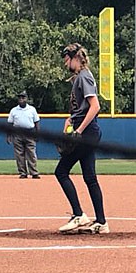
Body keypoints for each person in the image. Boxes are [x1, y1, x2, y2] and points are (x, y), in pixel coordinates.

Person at [55, 43, 109, 234]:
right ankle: (101, 222)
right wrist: (70, 120)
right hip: (89, 132)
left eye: (66, 59)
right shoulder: (81, 77)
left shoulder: (84, 76)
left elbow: (95, 107)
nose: (65, 64)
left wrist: (78, 131)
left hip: (86, 133)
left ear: (74, 57)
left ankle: (78, 215)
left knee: (61, 171)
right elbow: (81, 109)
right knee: (90, 177)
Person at [6, 90, 40, 179]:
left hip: (29, 132)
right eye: (20, 97)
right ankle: (23, 173)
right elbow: (10, 124)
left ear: (27, 99)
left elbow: (36, 122)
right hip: (17, 133)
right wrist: (8, 136)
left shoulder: (32, 109)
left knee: (31, 154)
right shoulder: (14, 110)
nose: (21, 99)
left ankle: (34, 172)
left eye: (23, 97)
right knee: (19, 154)